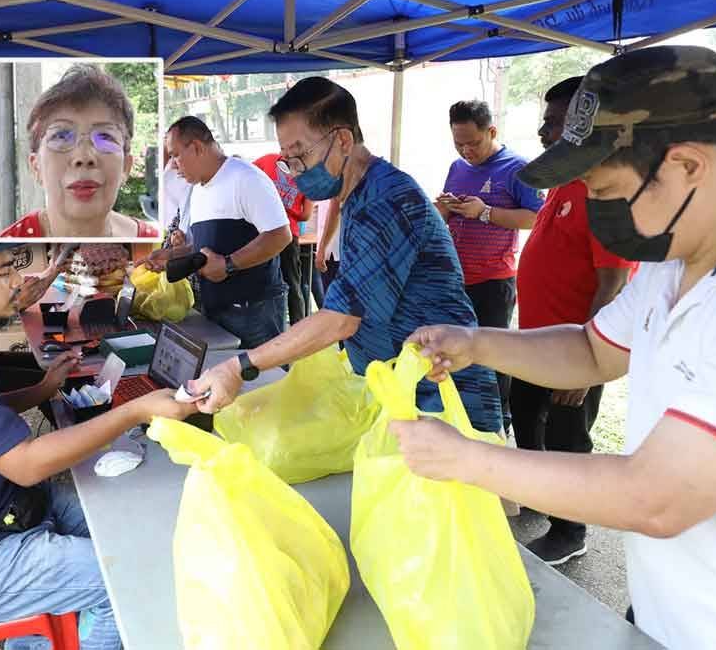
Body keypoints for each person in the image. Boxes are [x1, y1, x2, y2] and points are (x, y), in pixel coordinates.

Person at [395, 45, 716, 650]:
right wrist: (478, 342)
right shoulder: (680, 254)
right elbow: (593, 350)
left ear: (690, 165)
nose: (595, 204)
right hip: (667, 610)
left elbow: (655, 496)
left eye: (605, 187)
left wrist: (466, 460)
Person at [0, 243, 194, 649]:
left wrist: (42, 389)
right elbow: (26, 465)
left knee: (123, 520)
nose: (17, 282)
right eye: (3, 273)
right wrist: (134, 412)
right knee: (129, 575)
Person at [189, 78, 501, 435]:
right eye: (288, 161)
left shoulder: (386, 199)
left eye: (301, 154)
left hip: (446, 400)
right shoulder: (358, 194)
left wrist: (238, 367)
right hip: (406, 391)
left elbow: (341, 318)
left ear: (342, 140)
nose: (296, 172)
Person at [512, 76, 637, 565]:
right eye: (545, 122)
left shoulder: (605, 194)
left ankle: (569, 530)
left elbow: (613, 285)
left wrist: (588, 364)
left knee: (567, 439)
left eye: (555, 122)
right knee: (526, 421)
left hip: (575, 349)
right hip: (534, 341)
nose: (545, 132)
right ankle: (542, 501)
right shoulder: (564, 181)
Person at [436, 100, 543, 430]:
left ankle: (499, 421)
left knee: (492, 352)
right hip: (456, 278)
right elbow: (447, 214)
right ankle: (464, 417)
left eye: (474, 142)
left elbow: (536, 218)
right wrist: (444, 209)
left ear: (492, 132)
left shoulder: (518, 168)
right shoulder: (457, 167)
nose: (467, 151)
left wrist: (486, 212)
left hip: (494, 280)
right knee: (456, 350)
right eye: (459, 143)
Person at [147, 117, 291, 348]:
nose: (173, 164)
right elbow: (206, 246)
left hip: (253, 310)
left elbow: (280, 235)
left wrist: (229, 264)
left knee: (263, 380)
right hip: (214, 308)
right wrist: (172, 256)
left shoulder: (245, 178)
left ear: (196, 147)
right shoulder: (197, 189)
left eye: (175, 155)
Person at [1, 64, 158, 239]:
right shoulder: (0, 252)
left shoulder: (157, 248)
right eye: (61, 136)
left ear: (126, 167)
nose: (83, 157)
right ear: (35, 166)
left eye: (105, 137)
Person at [254, 153, 313, 325]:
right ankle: (266, 326)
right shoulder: (266, 161)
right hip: (263, 231)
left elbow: (306, 214)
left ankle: (298, 329)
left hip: (286, 234)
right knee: (265, 280)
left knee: (292, 281)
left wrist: (281, 206)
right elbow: (247, 179)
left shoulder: (307, 177)